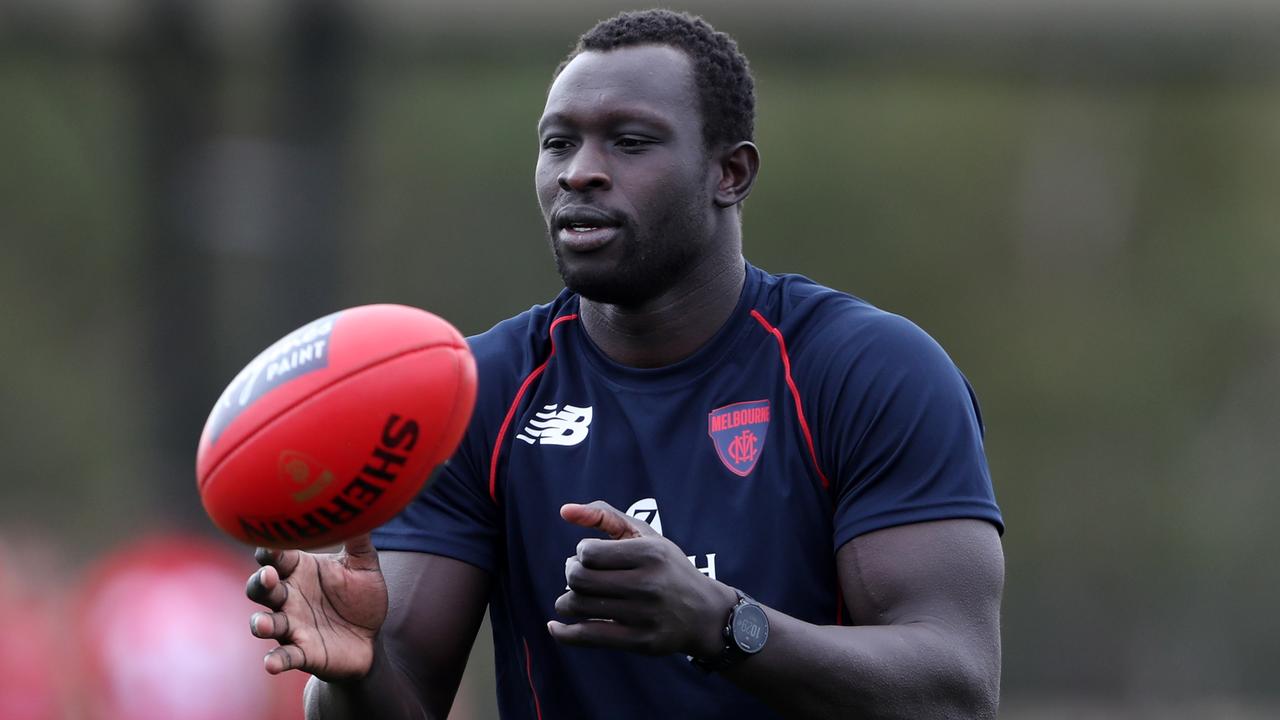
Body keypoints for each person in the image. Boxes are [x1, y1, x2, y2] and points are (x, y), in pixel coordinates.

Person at [246, 9, 1004, 719]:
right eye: (558, 142)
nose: (580, 171)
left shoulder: (870, 371)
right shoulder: (473, 393)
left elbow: (955, 686)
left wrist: (722, 624)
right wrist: (354, 668)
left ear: (729, 174)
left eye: (630, 141)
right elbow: (401, 691)